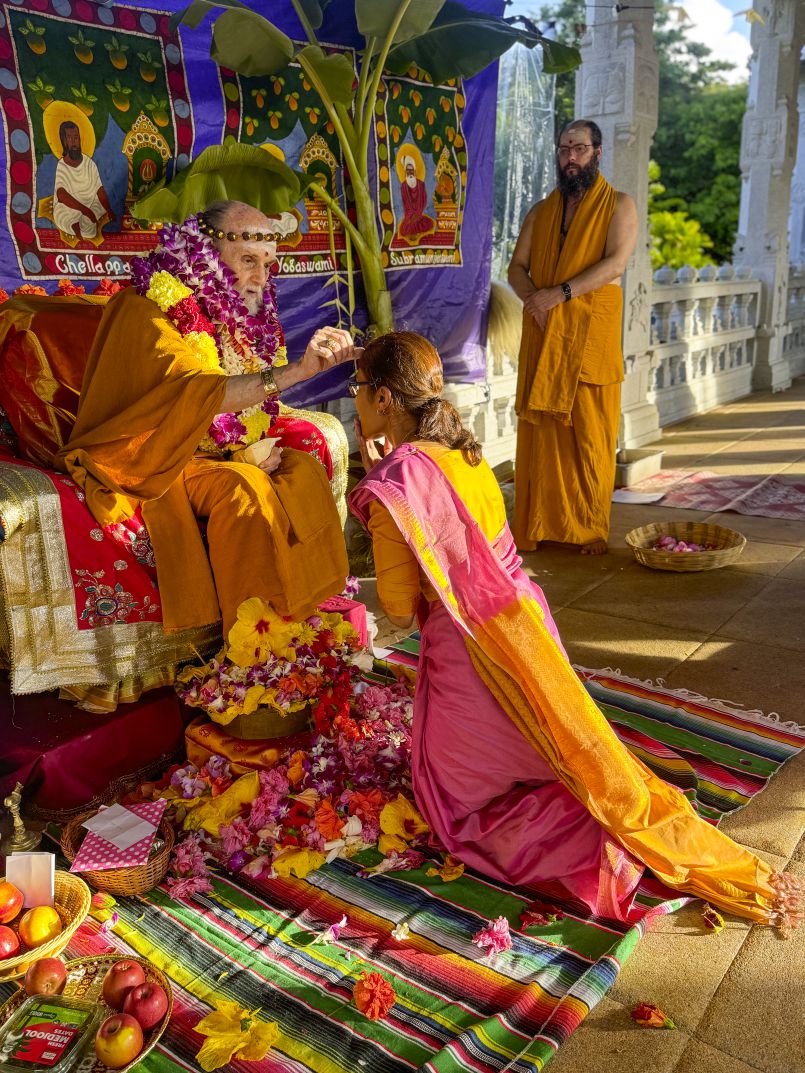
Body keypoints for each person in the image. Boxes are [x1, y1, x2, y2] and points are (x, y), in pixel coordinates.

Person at [349, 330, 800, 929]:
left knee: (456, 809)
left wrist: (378, 485)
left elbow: (402, 613)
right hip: (527, 632)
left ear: (382, 399)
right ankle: (612, 815)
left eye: (356, 386)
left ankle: (601, 852)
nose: (352, 396)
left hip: (472, 653)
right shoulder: (459, 451)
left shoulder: (400, 483)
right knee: (558, 753)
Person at [56, 201, 351, 637]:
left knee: (302, 469)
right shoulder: (147, 309)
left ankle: (309, 615)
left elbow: (248, 410)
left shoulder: (240, 314)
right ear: (204, 255)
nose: (261, 278)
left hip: (217, 448)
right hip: (157, 454)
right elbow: (196, 395)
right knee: (244, 490)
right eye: (248, 261)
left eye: (268, 264)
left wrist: (250, 446)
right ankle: (256, 648)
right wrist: (299, 371)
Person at [508, 119, 638, 555]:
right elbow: (516, 268)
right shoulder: (541, 211)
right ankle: (540, 525)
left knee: (590, 434)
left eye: (579, 149)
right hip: (545, 334)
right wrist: (535, 301)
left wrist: (558, 295)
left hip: (588, 338)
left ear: (597, 153)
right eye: (564, 149)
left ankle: (589, 528)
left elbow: (616, 264)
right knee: (542, 434)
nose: (570, 158)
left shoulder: (620, 205)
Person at [53, 121, 113, 241]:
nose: (74, 141)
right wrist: (85, 210)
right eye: (69, 138)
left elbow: (99, 189)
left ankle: (81, 225)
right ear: (64, 141)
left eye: (76, 137)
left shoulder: (89, 164)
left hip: (89, 203)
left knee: (90, 229)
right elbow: (61, 194)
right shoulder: (62, 165)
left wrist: (109, 210)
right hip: (69, 207)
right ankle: (74, 225)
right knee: (61, 215)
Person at [397, 151, 435, 243]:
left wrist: (417, 213)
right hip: (409, 216)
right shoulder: (403, 186)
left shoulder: (421, 184)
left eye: (411, 170)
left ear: (414, 170)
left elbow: (424, 200)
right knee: (405, 229)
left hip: (418, 214)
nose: (410, 173)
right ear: (405, 171)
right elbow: (406, 204)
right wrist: (411, 216)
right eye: (408, 170)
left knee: (429, 223)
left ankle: (416, 229)